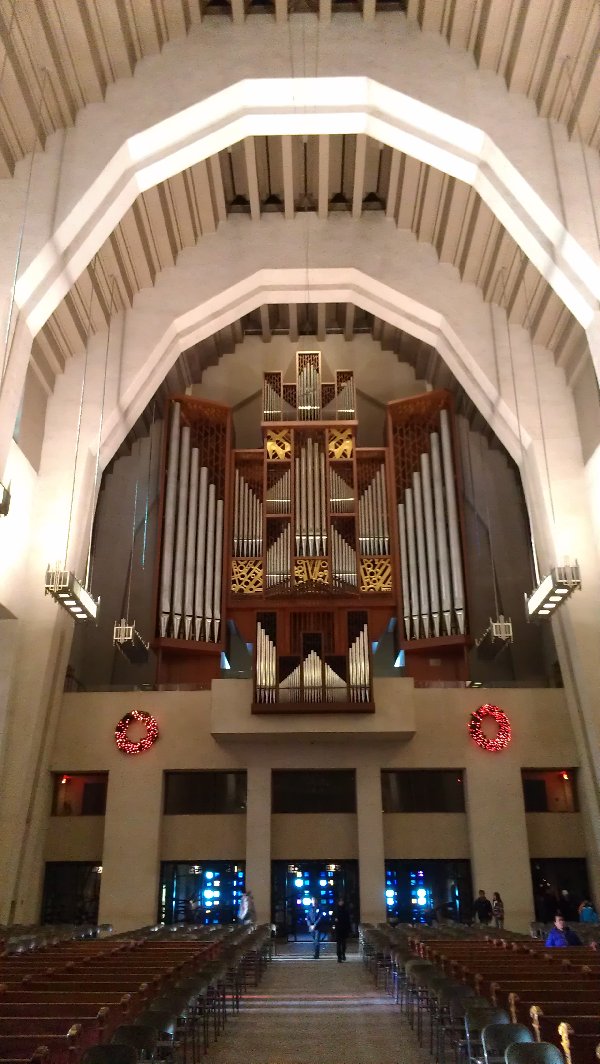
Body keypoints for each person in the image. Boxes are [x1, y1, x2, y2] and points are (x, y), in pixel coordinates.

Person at [332, 897, 351, 963]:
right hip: (338, 929)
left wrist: (348, 929)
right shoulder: (336, 910)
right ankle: (339, 956)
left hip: (344, 928)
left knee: (343, 943)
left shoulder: (346, 910)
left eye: (342, 901)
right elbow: (333, 918)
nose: (341, 903)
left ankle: (343, 953)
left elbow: (348, 920)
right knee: (339, 943)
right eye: (340, 901)